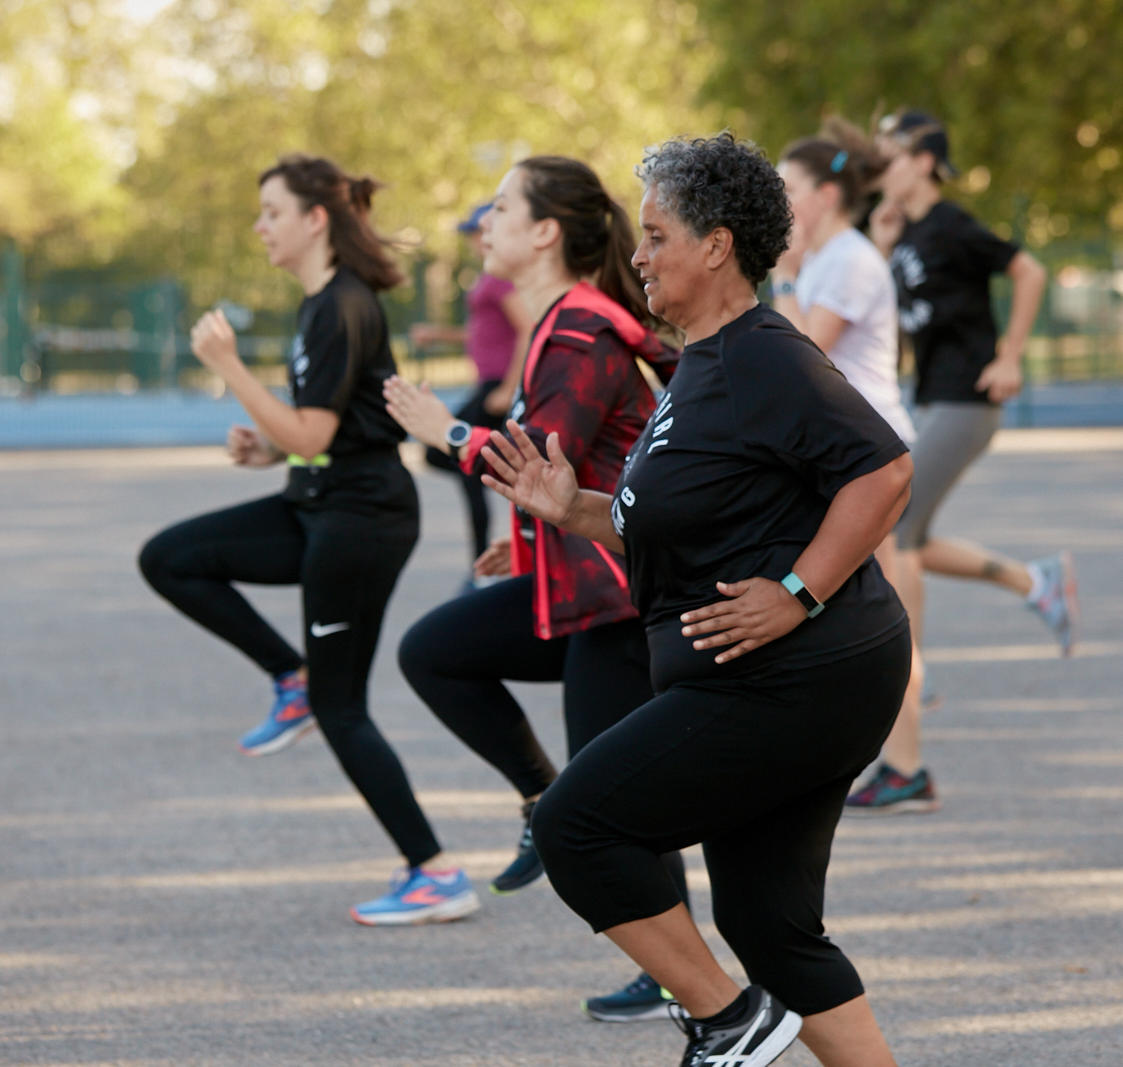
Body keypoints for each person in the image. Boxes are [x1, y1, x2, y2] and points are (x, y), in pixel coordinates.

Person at [483, 132, 914, 1067]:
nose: (638, 254)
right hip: (785, 678)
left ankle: (730, 1022)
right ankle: (751, 1012)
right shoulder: (699, 367)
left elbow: (883, 471)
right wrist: (575, 509)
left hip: (795, 677)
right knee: (771, 929)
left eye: (656, 234)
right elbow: (677, 524)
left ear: (717, 245)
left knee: (576, 823)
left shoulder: (762, 354)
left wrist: (799, 591)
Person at [383, 156, 692, 1023]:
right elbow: (571, 474)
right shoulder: (562, 321)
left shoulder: (580, 331)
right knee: (436, 651)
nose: (487, 223)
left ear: (547, 231)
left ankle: (686, 978)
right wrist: (523, 546)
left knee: (614, 803)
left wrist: (441, 427)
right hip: (580, 580)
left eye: (502, 209)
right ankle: (539, 802)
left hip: (620, 599)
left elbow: (542, 464)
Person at [136, 153, 477, 926]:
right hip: (319, 502)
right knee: (171, 558)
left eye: (271, 212)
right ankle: (288, 679)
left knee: (344, 704)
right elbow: (321, 432)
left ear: (314, 219)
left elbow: (314, 428)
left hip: (361, 523)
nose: (260, 226)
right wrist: (271, 447)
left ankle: (435, 873)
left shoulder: (340, 305)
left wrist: (229, 368)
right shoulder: (320, 304)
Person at [845, 109, 1075, 816]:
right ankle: (1034, 580)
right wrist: (881, 244)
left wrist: (1010, 354)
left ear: (924, 161)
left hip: (967, 398)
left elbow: (1029, 268)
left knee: (894, 530)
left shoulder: (951, 223)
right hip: (932, 397)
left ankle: (911, 702)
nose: (881, 157)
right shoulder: (902, 233)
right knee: (904, 530)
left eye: (893, 147)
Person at [769, 117, 929, 781]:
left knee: (881, 614)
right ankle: (878, 761)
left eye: (787, 187)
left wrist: (779, 272)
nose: (777, 200)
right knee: (846, 611)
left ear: (825, 197)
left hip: (869, 461)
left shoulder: (850, 261)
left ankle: (908, 766)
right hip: (839, 461)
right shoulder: (832, 258)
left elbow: (803, 353)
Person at [407, 203, 531, 565]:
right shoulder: (488, 278)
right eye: (473, 235)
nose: (476, 241)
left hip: (496, 387)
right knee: (463, 461)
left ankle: (482, 559)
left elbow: (526, 328)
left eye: (480, 232)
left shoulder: (501, 278)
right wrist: (440, 335)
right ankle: (483, 554)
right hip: (489, 383)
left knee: (448, 451)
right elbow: (485, 334)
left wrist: (508, 389)